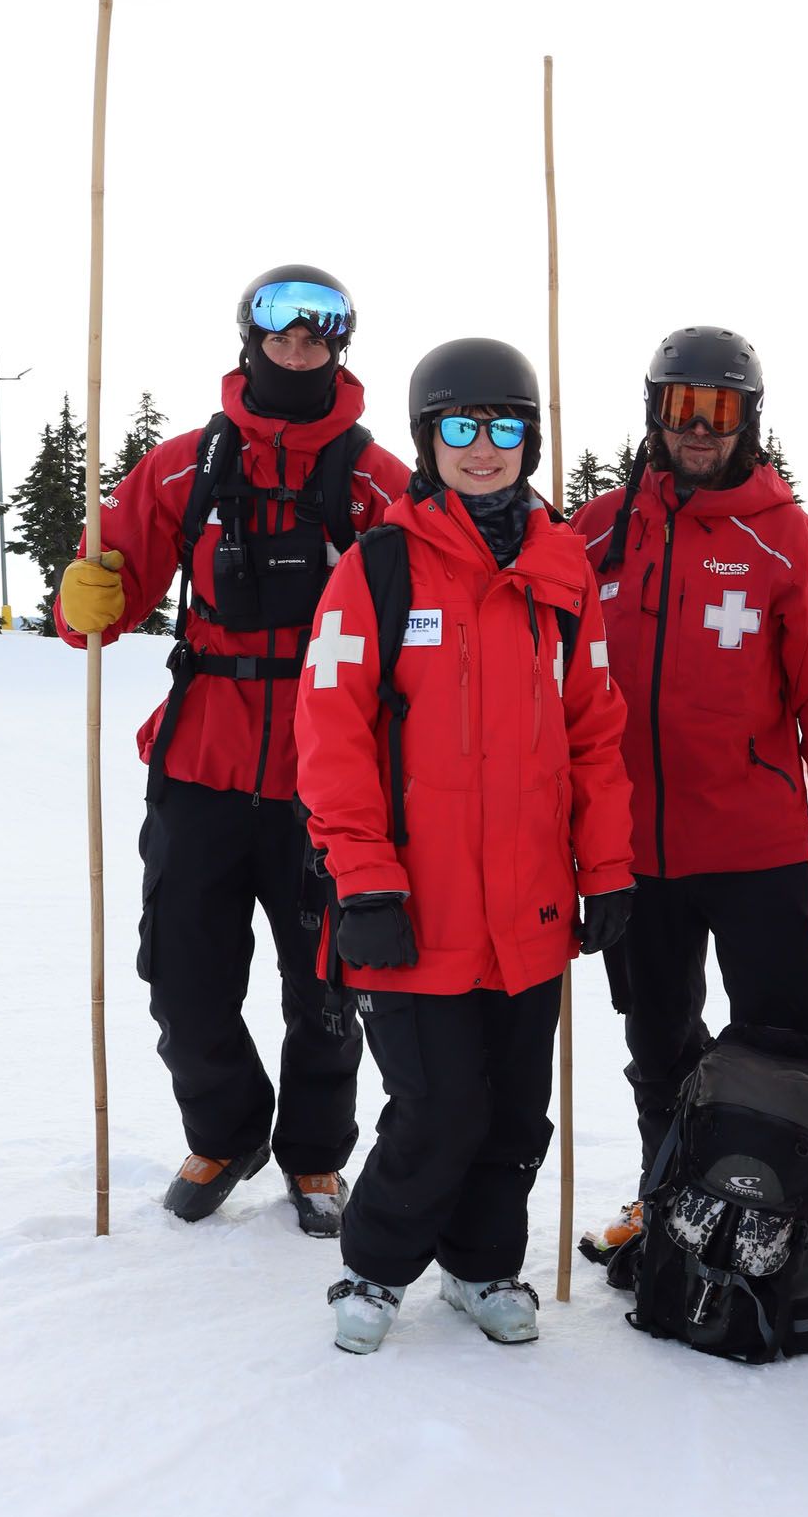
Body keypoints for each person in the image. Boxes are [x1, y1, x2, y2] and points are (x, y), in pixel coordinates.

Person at [294, 337, 634, 1353]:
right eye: (460, 428)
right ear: (427, 438)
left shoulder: (563, 572)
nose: (483, 449)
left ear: (528, 440)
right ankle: (376, 1265)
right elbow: (331, 736)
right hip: (414, 906)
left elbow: (596, 735)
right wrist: (364, 881)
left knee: (518, 1115)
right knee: (438, 1106)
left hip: (529, 908)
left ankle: (484, 1267)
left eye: (504, 429)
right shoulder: (378, 570)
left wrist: (607, 870)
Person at [56, 266, 410, 1233]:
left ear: (341, 344)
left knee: (327, 981)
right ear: (248, 336)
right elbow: (114, 584)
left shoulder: (379, 480)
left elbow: (443, 592)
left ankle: (313, 1158)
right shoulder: (183, 466)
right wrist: (83, 597)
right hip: (200, 758)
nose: (298, 347)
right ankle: (225, 1129)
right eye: (279, 328)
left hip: (330, 770)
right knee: (183, 970)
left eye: (319, 331)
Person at [569, 325, 808, 1259]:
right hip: (634, 855)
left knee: (783, 1044)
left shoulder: (785, 542)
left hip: (759, 851)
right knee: (658, 1046)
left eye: (719, 409)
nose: (699, 428)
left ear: (749, 419)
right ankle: (669, 1209)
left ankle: (792, 1228)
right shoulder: (598, 531)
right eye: (681, 405)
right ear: (654, 412)